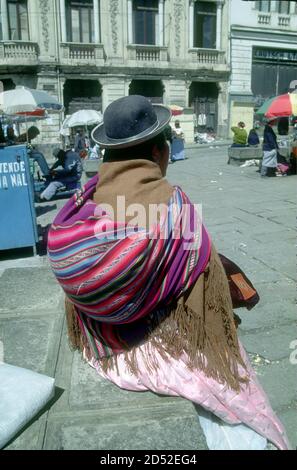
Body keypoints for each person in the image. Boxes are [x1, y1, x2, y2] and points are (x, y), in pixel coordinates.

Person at [47, 95, 289, 450]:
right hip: (151, 340)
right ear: (159, 153)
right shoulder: (175, 208)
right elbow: (204, 290)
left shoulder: (81, 205)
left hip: (100, 329)